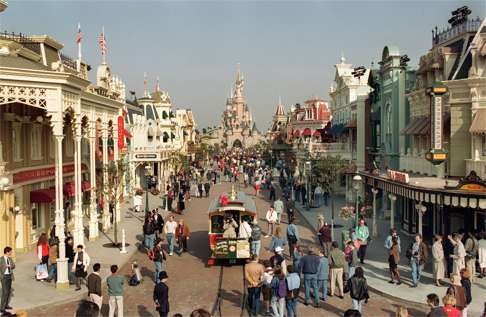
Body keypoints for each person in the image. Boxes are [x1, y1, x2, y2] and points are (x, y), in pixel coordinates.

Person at [0, 247, 14, 316]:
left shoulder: (10, 259)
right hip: (4, 277)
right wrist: (1, 276)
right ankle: (2, 308)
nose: (11, 253)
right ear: (7, 252)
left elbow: (14, 266)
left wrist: (10, 265)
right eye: (10, 251)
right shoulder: (1, 259)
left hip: (9, 276)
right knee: (4, 292)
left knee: (8, 292)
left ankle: (6, 305)